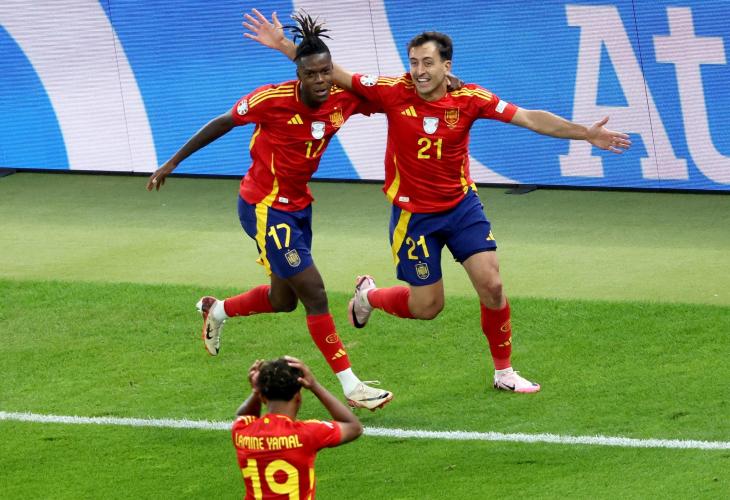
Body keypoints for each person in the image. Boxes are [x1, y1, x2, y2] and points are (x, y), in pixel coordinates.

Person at [246, 15, 632, 394]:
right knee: (427, 307)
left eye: (428, 63)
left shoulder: (471, 98)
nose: (419, 71)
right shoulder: (392, 91)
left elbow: (529, 118)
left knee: (492, 285)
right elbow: (331, 73)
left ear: (447, 66)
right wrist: (285, 46)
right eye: (414, 62)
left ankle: (504, 371)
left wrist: (585, 133)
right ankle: (369, 297)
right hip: (413, 217)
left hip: (462, 208)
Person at [147, 12, 392, 410]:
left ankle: (217, 310)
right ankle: (351, 386)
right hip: (264, 208)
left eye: (326, 72)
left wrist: (442, 87)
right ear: (299, 75)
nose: (320, 80)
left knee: (283, 300)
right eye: (311, 74)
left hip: (299, 206)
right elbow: (223, 122)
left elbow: (389, 97)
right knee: (314, 294)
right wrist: (172, 162)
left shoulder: (342, 99)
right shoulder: (271, 99)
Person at [233, 356, 362, 499]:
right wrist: (314, 385)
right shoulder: (307, 434)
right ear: (298, 397)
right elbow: (354, 427)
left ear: (262, 397)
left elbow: (242, 416)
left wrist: (256, 391)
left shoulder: (242, 431)